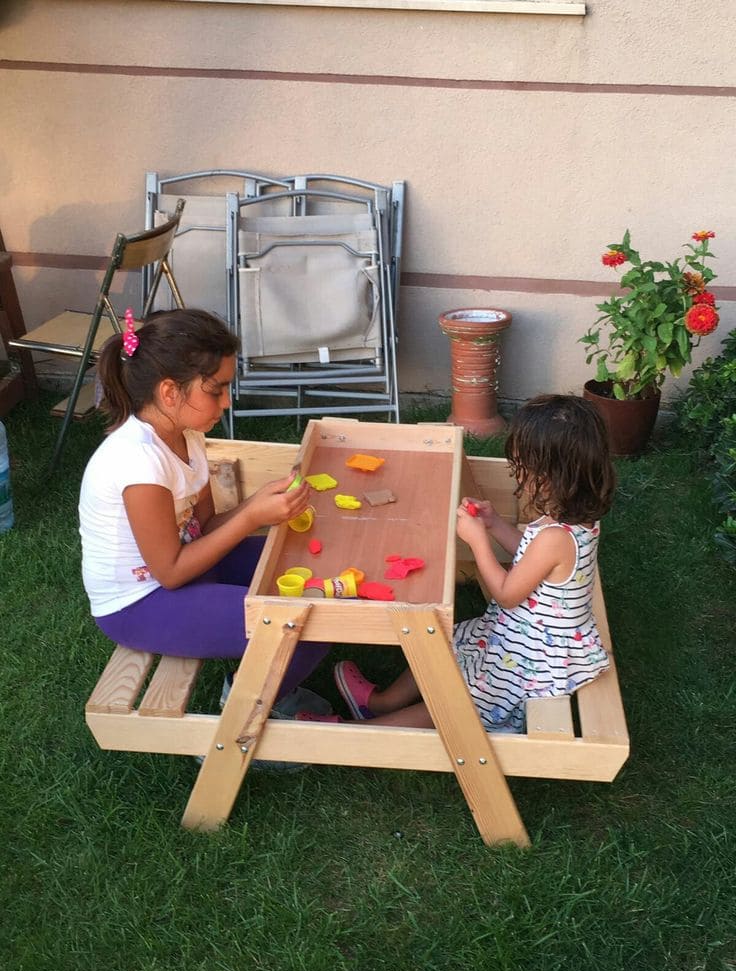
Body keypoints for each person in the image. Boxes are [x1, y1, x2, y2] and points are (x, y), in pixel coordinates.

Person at [298, 394, 616, 733]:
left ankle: (352, 732)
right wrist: (494, 524)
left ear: (551, 475)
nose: (518, 475)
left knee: (454, 703)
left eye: (524, 468)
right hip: (535, 637)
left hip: (530, 661)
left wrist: (478, 541)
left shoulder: (556, 536)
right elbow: (533, 557)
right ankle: (379, 703)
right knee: (452, 643)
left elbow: (507, 594)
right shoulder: (574, 520)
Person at [79, 308, 330, 719]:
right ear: (169, 392)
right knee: (307, 625)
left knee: (308, 563)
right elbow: (172, 571)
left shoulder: (186, 435)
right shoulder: (138, 463)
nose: (227, 401)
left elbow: (205, 527)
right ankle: (244, 706)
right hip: (140, 604)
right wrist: (252, 518)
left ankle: (267, 681)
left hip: (183, 570)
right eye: (216, 390)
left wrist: (257, 504)